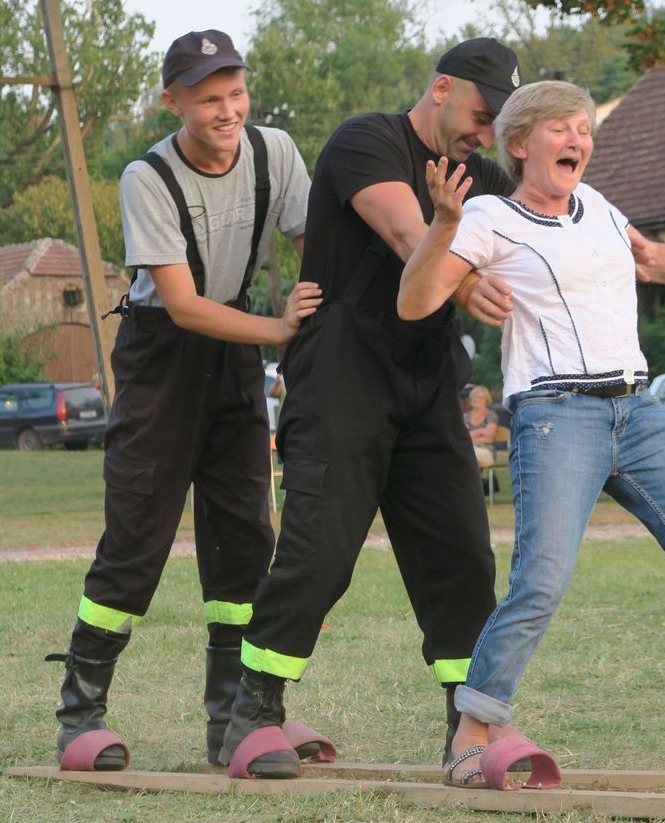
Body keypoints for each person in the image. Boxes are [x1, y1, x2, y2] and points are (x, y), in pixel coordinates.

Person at [398, 80, 665, 789]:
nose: (580, 141)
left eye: (585, 129)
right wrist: (443, 226)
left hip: (640, 409)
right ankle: (470, 733)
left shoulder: (595, 205)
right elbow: (415, 301)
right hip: (555, 412)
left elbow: (654, 260)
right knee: (540, 581)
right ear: (519, 144)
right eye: (563, 129)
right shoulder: (484, 217)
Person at [220, 39, 524, 779]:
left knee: (461, 554)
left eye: (497, 125)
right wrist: (460, 281)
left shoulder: (481, 174)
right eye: (481, 116)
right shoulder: (366, 140)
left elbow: (546, 226)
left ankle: (468, 722)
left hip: (426, 381)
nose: (484, 136)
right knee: (319, 550)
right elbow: (403, 232)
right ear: (442, 88)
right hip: (341, 375)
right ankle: (254, 711)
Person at [50, 30, 323, 772]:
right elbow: (181, 302)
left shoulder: (277, 154)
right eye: (209, 99)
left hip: (235, 358)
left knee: (244, 542)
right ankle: (80, 715)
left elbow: (318, 241)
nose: (228, 110)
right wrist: (279, 329)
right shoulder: (146, 176)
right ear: (174, 102)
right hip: (164, 351)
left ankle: (233, 724)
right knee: (137, 537)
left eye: (236, 94)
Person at [464, 385, 499, 468]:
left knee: (465, 454)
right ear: (471, 398)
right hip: (467, 448)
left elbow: (489, 438)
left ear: (486, 400)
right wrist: (481, 431)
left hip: (486, 450)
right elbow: (462, 437)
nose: (477, 399)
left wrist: (470, 438)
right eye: (475, 397)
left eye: (480, 397)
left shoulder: (490, 415)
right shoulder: (465, 416)